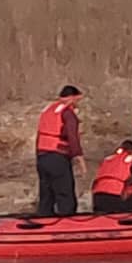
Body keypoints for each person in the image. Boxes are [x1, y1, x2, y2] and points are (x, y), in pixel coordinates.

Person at [35, 85, 86, 216]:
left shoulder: (48, 111)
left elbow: (40, 135)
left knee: (46, 194)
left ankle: (44, 220)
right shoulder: (68, 113)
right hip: (58, 157)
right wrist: (80, 159)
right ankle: (68, 222)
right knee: (65, 192)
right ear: (72, 98)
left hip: (42, 156)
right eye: (77, 100)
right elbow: (73, 137)